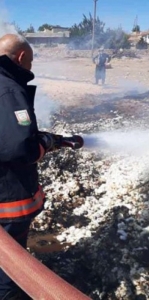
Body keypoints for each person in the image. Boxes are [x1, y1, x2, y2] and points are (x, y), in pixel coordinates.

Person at [0, 33, 64, 300]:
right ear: (23, 57)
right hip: (9, 201)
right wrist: (42, 144)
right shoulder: (9, 88)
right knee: (11, 272)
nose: (31, 69)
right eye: (31, 62)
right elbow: (19, 148)